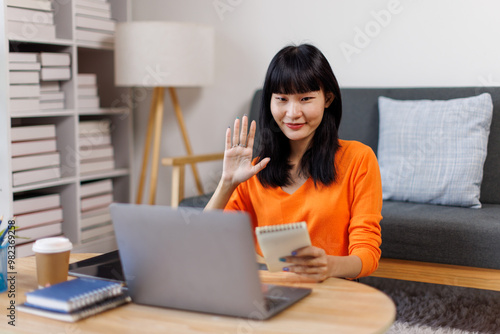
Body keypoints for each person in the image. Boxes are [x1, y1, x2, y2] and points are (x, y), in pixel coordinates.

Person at [205, 44, 382, 281]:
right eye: (282, 99)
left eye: (305, 98)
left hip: (333, 293)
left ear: (327, 98)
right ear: (270, 102)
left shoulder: (359, 159)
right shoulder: (254, 170)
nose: (292, 112)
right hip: (272, 292)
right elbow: (206, 237)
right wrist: (227, 183)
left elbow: (367, 253)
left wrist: (329, 266)